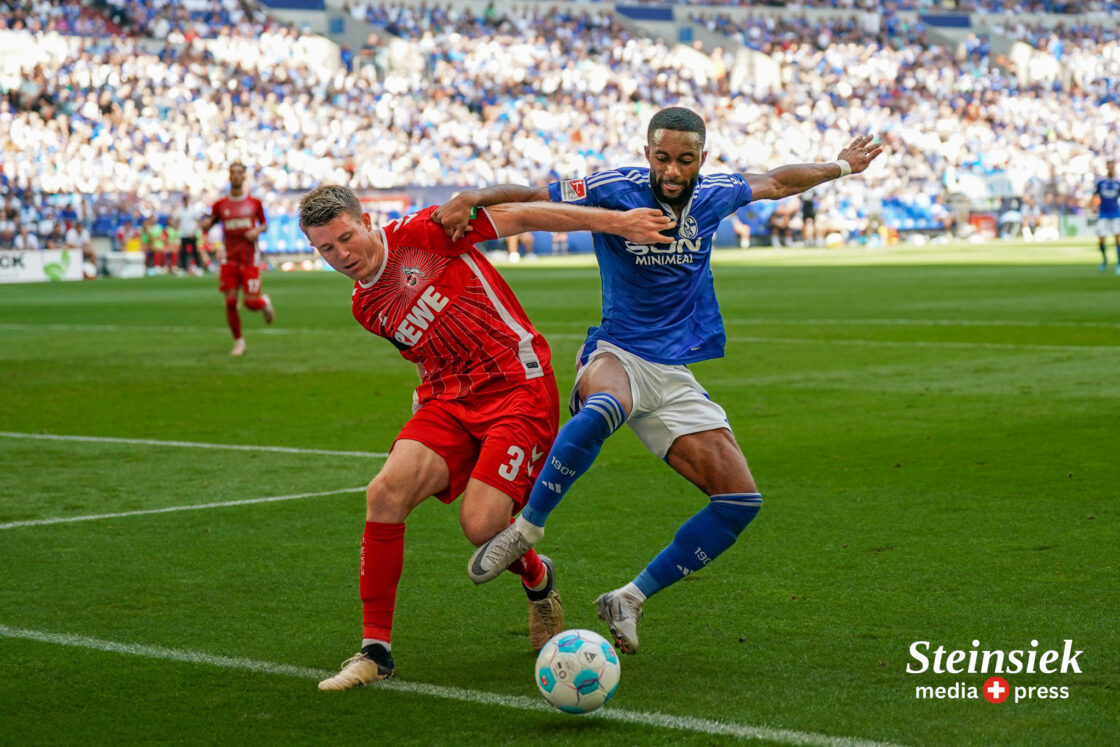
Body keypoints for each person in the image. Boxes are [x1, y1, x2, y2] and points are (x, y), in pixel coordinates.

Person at [435, 106, 882, 655]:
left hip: (672, 371)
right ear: (648, 153)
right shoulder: (610, 187)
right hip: (617, 351)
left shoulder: (717, 192)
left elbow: (779, 181)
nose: (672, 170)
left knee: (739, 502)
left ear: (702, 159)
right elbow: (532, 192)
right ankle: (526, 530)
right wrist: (472, 198)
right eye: (663, 158)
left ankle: (629, 597)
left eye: (685, 160)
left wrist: (841, 166)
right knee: (604, 409)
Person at [299, 184, 672, 691]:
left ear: (365, 222)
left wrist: (618, 224)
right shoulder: (366, 307)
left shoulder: (425, 233)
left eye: (345, 238)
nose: (341, 255)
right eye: (326, 249)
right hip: (448, 398)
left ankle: (538, 581)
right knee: (384, 494)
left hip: (517, 384)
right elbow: (426, 350)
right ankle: (375, 652)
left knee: (482, 526)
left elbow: (520, 217)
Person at [200, 162, 274, 356]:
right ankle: (239, 341)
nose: (235, 176)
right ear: (229, 176)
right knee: (231, 302)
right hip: (229, 258)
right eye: (232, 173)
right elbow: (209, 224)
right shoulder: (220, 205)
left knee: (250, 303)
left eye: (239, 173)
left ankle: (264, 302)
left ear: (244, 177)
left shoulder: (254, 203)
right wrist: (205, 225)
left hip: (249, 258)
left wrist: (256, 230)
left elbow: (265, 225)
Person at [1092, 161, 1120, 273]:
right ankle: (1104, 260)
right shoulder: (1101, 183)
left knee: (1117, 239)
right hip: (1103, 214)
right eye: (1109, 166)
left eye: (1112, 166)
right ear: (1107, 167)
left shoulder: (1118, 183)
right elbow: (1095, 195)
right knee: (1101, 239)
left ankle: (1119, 263)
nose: (1111, 168)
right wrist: (1094, 205)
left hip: (1116, 214)